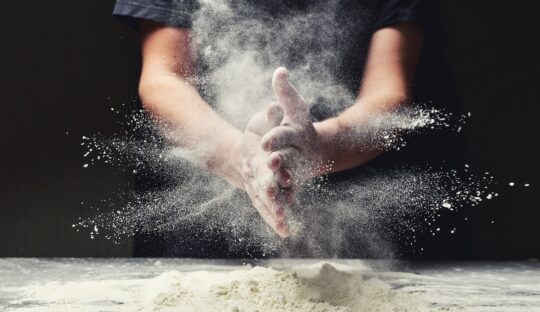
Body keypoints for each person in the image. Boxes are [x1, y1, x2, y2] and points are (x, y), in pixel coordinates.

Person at [113, 0, 467, 258]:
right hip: (209, 224)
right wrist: (238, 156)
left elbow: (389, 92)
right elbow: (164, 79)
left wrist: (319, 146)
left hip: (364, 215)